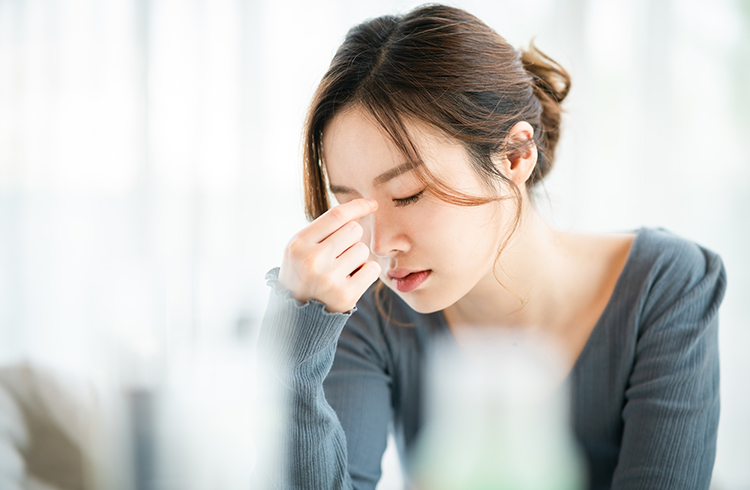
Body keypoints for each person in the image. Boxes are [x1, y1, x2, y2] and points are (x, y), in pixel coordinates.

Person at [258, 4, 726, 489]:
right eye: (351, 205)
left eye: (409, 194)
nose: (379, 247)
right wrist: (296, 351)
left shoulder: (666, 286)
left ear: (515, 156)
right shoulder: (369, 308)